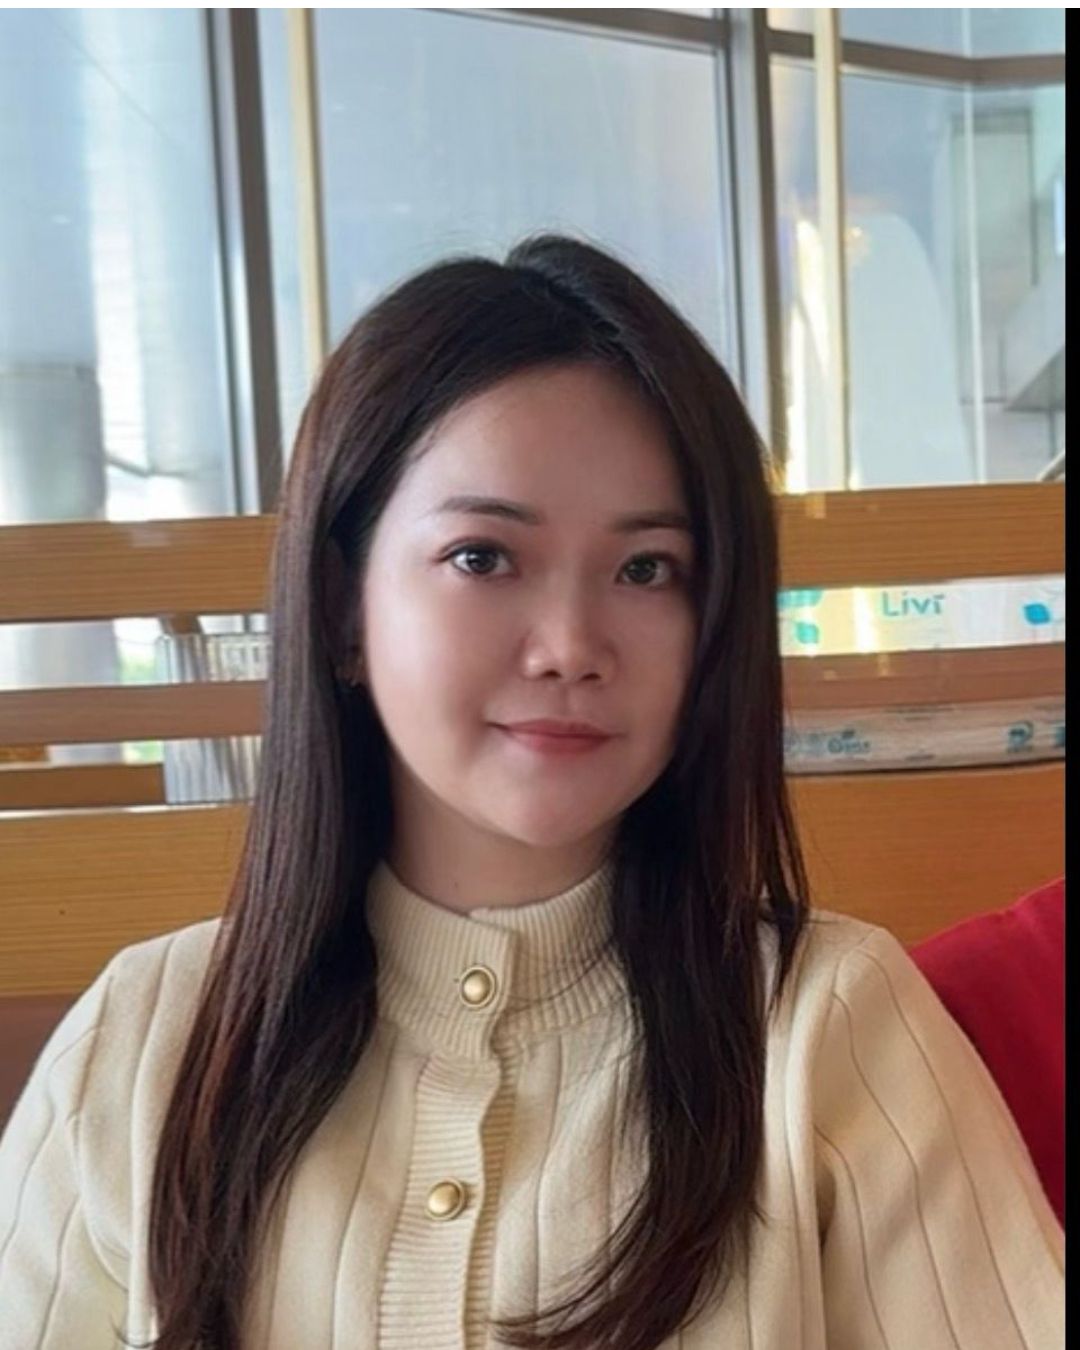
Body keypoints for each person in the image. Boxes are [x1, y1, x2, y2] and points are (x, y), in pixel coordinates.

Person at [0, 236, 1063, 1350]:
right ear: (344, 605)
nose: (570, 646)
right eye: (483, 556)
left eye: (646, 569)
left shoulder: (831, 1026)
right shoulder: (142, 1042)